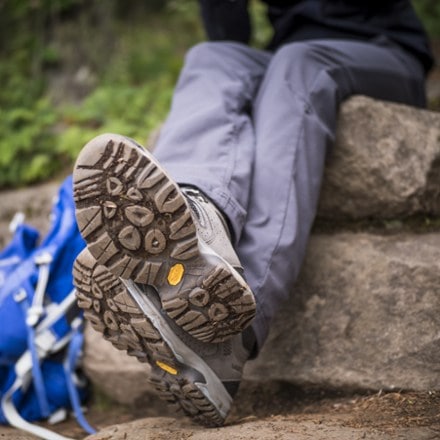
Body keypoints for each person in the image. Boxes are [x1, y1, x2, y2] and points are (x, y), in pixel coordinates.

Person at [71, 0, 433, 427]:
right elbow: (230, 35)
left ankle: (233, 334)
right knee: (212, 58)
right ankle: (197, 218)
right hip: (284, 52)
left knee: (299, 65)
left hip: (384, 51)